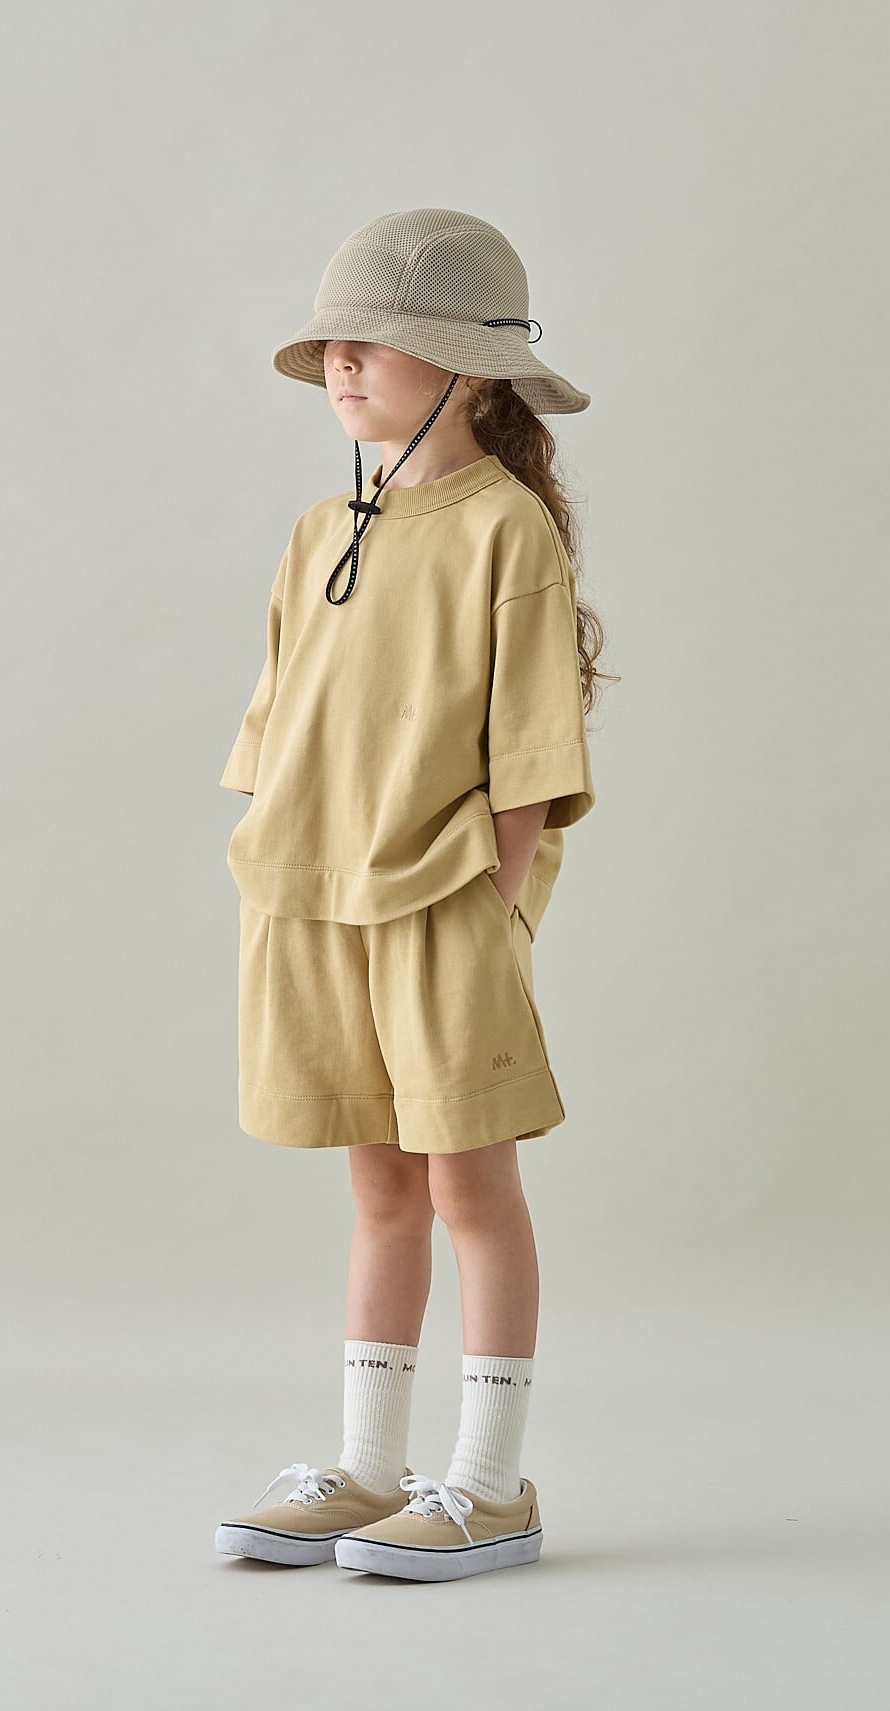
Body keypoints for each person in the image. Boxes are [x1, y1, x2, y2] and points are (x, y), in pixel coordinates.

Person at [210, 208, 614, 1583]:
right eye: (333, 343)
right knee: (380, 1186)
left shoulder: (506, 529)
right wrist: (274, 851)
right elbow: (279, 719)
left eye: (374, 342)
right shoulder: (320, 528)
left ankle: (487, 1485)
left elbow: (529, 748)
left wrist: (496, 909)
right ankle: (369, 1467)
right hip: (311, 899)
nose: (342, 364)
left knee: (469, 1186)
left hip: (444, 902)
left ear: (470, 368)